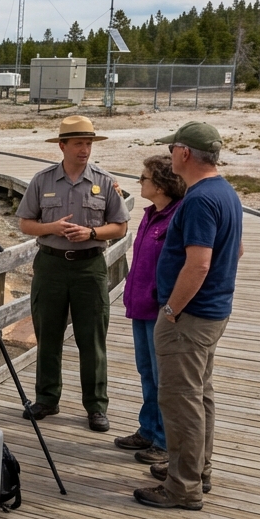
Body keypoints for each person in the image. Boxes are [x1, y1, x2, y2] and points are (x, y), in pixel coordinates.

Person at [135, 121, 243, 510]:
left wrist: (171, 309)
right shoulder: (225, 192)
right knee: (200, 396)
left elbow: (198, 264)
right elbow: (239, 250)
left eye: (171, 149)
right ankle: (197, 469)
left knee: (181, 401)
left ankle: (183, 487)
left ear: (184, 154)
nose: (168, 156)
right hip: (213, 312)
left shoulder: (199, 199)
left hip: (190, 317)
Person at [16, 115, 130, 432]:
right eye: (79, 143)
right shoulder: (42, 181)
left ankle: (96, 407)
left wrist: (92, 233)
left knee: (91, 339)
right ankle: (47, 399)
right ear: (62, 146)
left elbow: (120, 227)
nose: (85, 149)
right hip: (50, 264)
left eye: (89, 143)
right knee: (48, 334)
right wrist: (51, 228)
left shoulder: (105, 182)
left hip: (89, 266)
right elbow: (25, 223)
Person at [115, 155, 186, 464]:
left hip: (160, 309)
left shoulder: (176, 217)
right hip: (140, 305)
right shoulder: (149, 214)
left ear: (160, 184)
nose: (139, 182)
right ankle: (148, 428)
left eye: (143, 178)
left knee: (162, 378)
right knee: (147, 372)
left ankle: (164, 442)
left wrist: (169, 304)